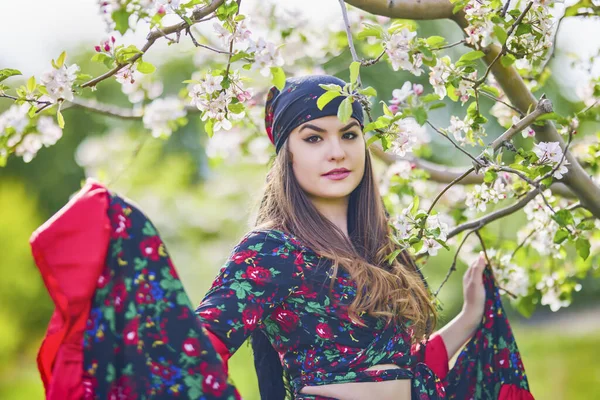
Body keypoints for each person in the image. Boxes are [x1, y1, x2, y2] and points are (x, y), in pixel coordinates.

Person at [195, 75, 517, 400]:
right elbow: (193, 353)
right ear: (287, 154)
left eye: (349, 134)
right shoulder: (272, 250)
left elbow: (404, 368)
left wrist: (471, 316)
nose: (337, 152)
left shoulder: (381, 247)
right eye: (313, 139)